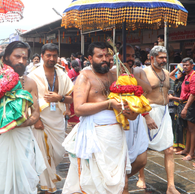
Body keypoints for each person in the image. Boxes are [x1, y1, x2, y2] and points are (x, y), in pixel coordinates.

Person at [62, 42, 138, 194]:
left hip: (117, 136)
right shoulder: (84, 77)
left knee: (119, 181)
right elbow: (78, 108)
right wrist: (109, 103)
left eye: (107, 55)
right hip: (95, 137)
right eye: (100, 56)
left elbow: (128, 104)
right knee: (92, 183)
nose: (105, 59)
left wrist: (131, 110)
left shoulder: (115, 75)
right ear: (90, 58)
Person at [0, 41, 46, 194]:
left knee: (25, 180)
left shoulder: (30, 83)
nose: (21, 61)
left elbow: (36, 113)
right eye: (17, 57)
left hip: (23, 137)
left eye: (25, 58)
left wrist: (22, 123)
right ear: (6, 58)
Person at [28, 43, 74, 193]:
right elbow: (28, 101)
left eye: (54, 55)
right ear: (42, 56)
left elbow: (71, 98)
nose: (51, 58)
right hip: (40, 119)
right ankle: (46, 186)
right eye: (48, 55)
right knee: (42, 154)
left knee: (59, 153)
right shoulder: (33, 75)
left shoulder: (62, 74)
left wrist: (59, 97)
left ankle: (47, 179)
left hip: (58, 120)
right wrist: (36, 120)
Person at [112, 44, 152, 192]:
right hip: (120, 119)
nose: (130, 58)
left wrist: (130, 76)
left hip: (137, 119)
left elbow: (147, 89)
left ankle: (123, 178)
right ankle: (122, 183)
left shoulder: (138, 71)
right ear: (120, 57)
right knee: (120, 159)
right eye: (127, 55)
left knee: (142, 160)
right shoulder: (112, 72)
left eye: (132, 55)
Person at [141, 46, 180, 194]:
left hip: (164, 112)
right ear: (152, 58)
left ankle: (171, 186)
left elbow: (167, 91)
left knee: (169, 149)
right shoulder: (143, 73)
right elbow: (139, 96)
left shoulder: (166, 73)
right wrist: (147, 116)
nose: (164, 60)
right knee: (142, 148)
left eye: (165, 57)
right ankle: (141, 177)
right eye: (161, 58)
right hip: (148, 112)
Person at [175, 58, 195, 161]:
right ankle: (186, 150)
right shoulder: (186, 76)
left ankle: (192, 153)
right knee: (187, 129)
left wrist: (185, 108)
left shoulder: (194, 76)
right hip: (184, 104)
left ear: (192, 66)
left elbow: (193, 94)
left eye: (187, 65)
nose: (185, 67)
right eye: (183, 65)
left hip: (190, 105)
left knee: (192, 129)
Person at [168, 65, 187, 153]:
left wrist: (172, 98)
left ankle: (181, 146)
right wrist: (177, 68)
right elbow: (169, 75)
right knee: (176, 126)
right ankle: (177, 145)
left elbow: (184, 97)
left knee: (181, 127)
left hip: (181, 106)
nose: (177, 74)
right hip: (176, 107)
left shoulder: (183, 83)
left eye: (179, 73)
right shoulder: (177, 81)